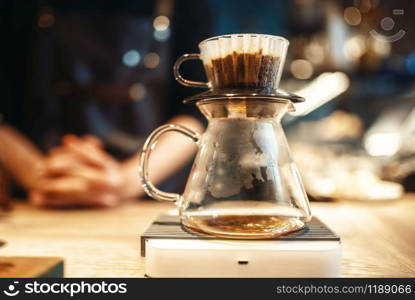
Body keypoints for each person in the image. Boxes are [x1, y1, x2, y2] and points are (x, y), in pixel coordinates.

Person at [0, 0, 210, 208]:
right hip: (40, 195)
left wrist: (126, 181)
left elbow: (198, 109)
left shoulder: (188, 6)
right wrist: (43, 175)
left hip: (149, 198)